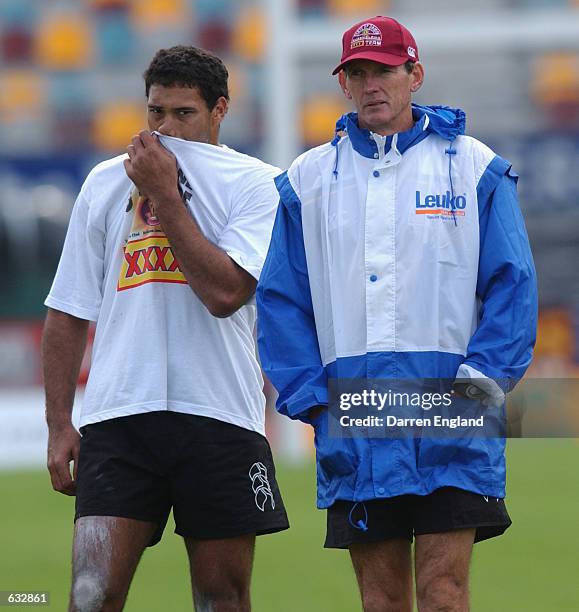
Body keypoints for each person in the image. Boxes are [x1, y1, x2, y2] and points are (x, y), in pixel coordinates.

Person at [256, 16, 537, 612]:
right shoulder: (305, 181)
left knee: (444, 594)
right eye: (357, 73)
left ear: (415, 74)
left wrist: (479, 388)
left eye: (383, 69)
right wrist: (316, 403)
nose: (371, 83)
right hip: (356, 419)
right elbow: (280, 303)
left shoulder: (475, 167)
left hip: (452, 410)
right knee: (382, 602)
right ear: (345, 85)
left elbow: (514, 286)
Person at [42, 45, 288, 612]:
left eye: (184, 113)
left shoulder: (258, 184)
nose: (166, 128)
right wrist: (59, 424)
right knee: (89, 595)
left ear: (220, 109)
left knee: (221, 596)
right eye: (156, 112)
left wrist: (164, 194)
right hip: (119, 415)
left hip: (219, 411)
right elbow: (68, 309)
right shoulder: (105, 182)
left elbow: (225, 293)